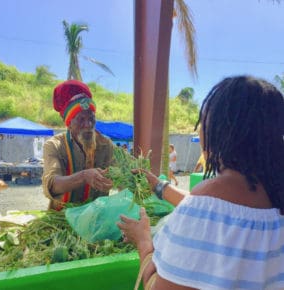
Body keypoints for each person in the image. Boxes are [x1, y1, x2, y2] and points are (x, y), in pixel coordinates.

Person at [117, 76, 284, 290]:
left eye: (203, 122)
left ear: (220, 131)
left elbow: (157, 286)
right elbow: (227, 214)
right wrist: (158, 185)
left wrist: (143, 241)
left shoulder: (206, 203)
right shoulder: (274, 197)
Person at [42, 80, 113, 210]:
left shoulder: (105, 144)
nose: (88, 125)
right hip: (62, 220)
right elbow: (52, 184)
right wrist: (84, 176)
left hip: (96, 221)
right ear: (68, 123)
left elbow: (124, 170)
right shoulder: (55, 145)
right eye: (81, 119)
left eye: (91, 118)